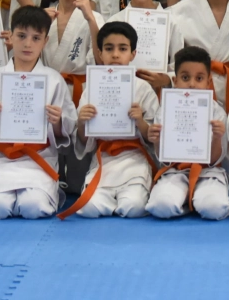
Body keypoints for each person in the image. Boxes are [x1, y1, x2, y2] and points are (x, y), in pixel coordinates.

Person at [0, 7, 77, 219]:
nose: (28, 44)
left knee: (34, 207)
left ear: (45, 41)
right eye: (21, 36)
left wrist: (57, 122)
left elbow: (67, 130)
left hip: (39, 159)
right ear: (10, 36)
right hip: (0, 158)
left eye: (36, 38)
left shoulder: (54, 80)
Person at [62, 22, 158, 219]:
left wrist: (140, 121)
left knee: (134, 207)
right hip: (103, 160)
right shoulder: (92, 87)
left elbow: (153, 137)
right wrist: (82, 122)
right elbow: (83, 140)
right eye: (109, 48)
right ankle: (111, 201)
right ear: (100, 53)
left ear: (133, 54)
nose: (115, 55)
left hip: (135, 160)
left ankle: (123, 199)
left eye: (122, 49)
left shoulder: (143, 88)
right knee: (88, 208)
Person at [145, 44, 229, 220]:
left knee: (214, 208)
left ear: (208, 82)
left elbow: (214, 160)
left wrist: (217, 137)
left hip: (208, 173)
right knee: (160, 206)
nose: (192, 84)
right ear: (175, 80)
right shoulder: (166, 109)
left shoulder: (216, 112)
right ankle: (188, 204)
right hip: (176, 171)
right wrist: (156, 140)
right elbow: (164, 159)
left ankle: (193, 201)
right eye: (185, 77)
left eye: (199, 78)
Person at [41, 0, 100, 105]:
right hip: (46, 89)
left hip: (80, 92)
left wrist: (91, 20)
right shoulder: (43, 17)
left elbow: (101, 62)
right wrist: (40, 26)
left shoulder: (95, 19)